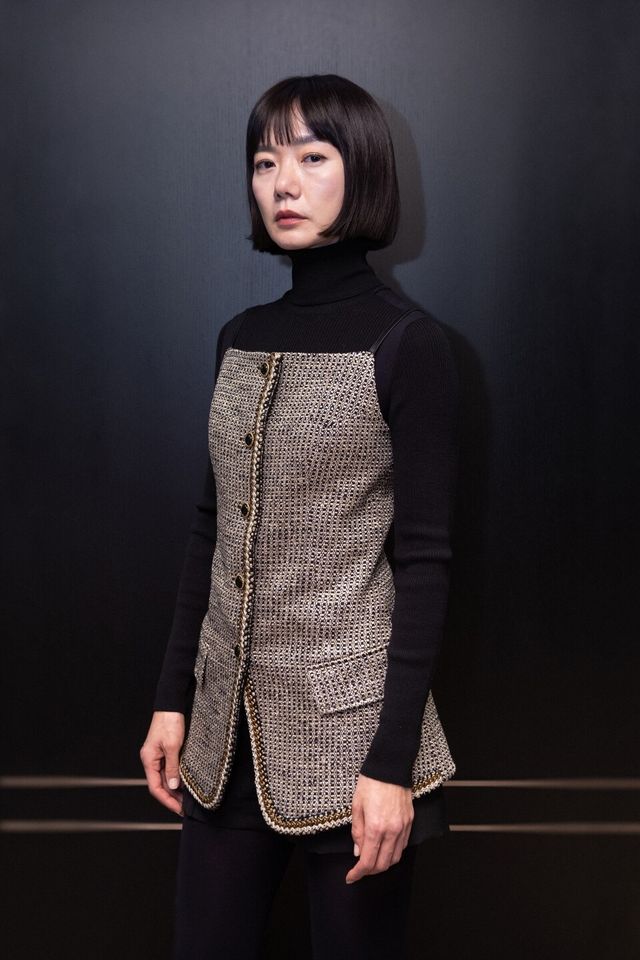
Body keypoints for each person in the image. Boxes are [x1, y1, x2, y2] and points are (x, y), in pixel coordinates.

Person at [140, 73, 460, 960]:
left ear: (363, 170)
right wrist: (172, 701)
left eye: (312, 158)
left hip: (355, 746)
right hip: (222, 741)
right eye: (264, 161)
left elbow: (426, 563)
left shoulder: (409, 345)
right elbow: (211, 529)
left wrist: (390, 766)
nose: (283, 182)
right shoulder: (238, 337)